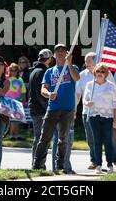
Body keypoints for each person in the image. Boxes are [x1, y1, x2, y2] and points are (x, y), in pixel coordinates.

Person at [32, 44, 80, 173]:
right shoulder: (49, 71)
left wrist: (69, 63)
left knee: (63, 139)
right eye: (57, 51)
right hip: (52, 108)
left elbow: (77, 78)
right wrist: (49, 94)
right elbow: (43, 89)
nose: (60, 53)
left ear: (66, 53)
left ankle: (60, 166)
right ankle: (38, 164)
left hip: (67, 108)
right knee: (44, 138)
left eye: (62, 51)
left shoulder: (73, 67)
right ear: (53, 55)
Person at [75, 52, 116, 170]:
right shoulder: (82, 76)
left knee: (110, 139)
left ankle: (115, 160)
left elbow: (114, 92)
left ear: (95, 61)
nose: (86, 63)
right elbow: (78, 94)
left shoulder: (108, 77)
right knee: (92, 139)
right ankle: (95, 161)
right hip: (89, 113)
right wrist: (74, 109)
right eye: (85, 61)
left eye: (89, 61)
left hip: (107, 114)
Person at [83, 63, 116, 174]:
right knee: (96, 141)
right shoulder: (90, 85)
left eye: (103, 72)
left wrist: (115, 118)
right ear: (95, 73)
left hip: (108, 116)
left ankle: (110, 166)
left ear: (106, 74)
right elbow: (84, 100)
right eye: (98, 71)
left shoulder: (111, 85)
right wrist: (87, 103)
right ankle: (98, 165)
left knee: (108, 141)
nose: (100, 74)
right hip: (94, 116)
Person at [28, 49, 53, 166]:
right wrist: (48, 108)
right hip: (40, 110)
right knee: (41, 138)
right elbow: (40, 94)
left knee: (38, 137)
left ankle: (36, 162)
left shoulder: (34, 71)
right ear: (49, 58)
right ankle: (38, 163)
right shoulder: (42, 72)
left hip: (34, 108)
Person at [6, 63, 27, 140]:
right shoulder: (7, 79)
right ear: (9, 71)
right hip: (8, 101)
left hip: (18, 101)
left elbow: (23, 91)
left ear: (18, 71)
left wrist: (24, 101)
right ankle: (11, 135)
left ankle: (16, 135)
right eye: (12, 70)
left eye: (15, 70)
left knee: (17, 119)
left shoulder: (20, 79)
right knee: (12, 119)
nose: (13, 72)